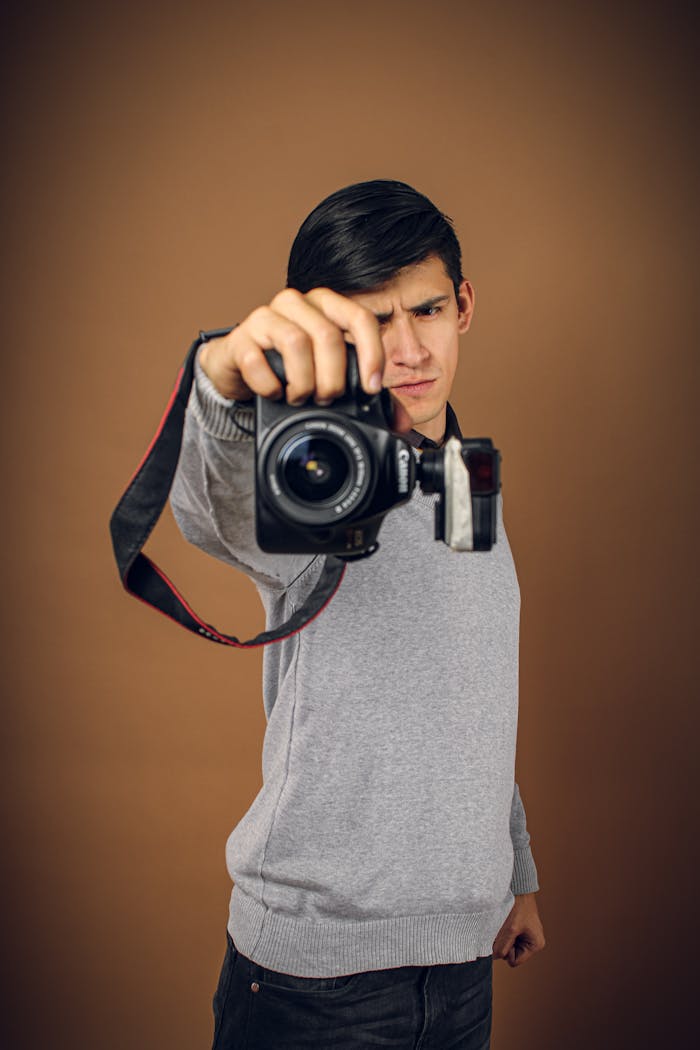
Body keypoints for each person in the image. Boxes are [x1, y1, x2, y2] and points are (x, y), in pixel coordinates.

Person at [170, 179, 545, 1049]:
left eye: (426, 311)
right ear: (328, 333)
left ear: (464, 305)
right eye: (374, 322)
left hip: (462, 966)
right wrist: (220, 391)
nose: (410, 349)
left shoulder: (467, 476)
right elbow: (213, 511)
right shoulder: (308, 475)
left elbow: (475, 681)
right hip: (314, 983)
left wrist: (514, 870)